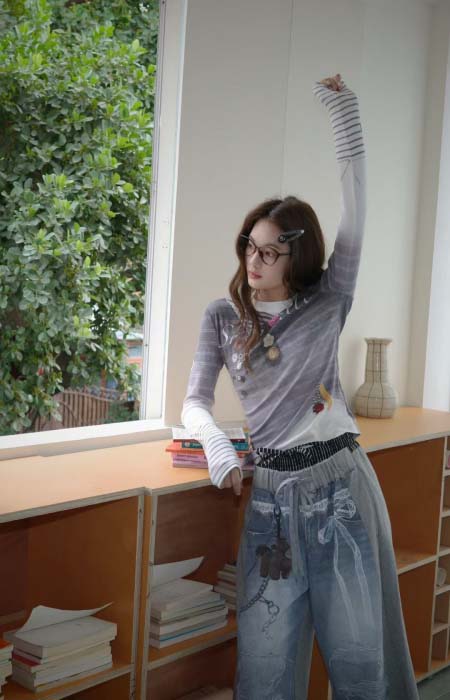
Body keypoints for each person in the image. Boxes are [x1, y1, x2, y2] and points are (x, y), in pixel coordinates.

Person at [181, 74, 419, 699]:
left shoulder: (328, 299)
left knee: (361, 666)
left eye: (268, 251)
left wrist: (345, 112)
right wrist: (216, 447)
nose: (252, 261)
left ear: (298, 255)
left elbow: (357, 210)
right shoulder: (222, 318)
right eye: (248, 247)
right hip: (270, 502)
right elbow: (194, 402)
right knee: (264, 672)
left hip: (341, 489)